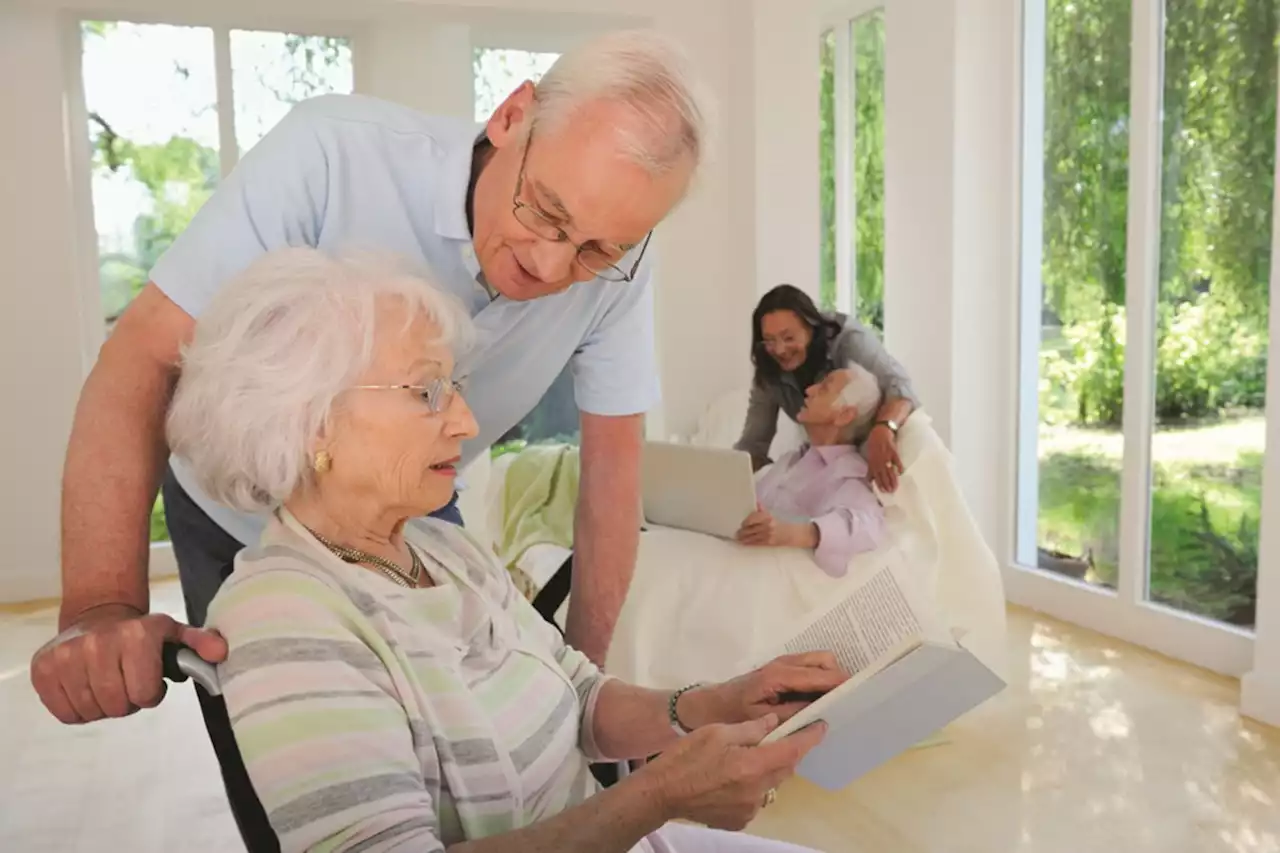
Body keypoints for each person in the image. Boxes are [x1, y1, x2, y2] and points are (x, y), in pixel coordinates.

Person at [32, 30, 705, 740]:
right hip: (233, 507)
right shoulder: (332, 154)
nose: (549, 264)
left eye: (598, 250)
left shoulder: (619, 268)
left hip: (408, 510)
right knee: (295, 760)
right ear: (511, 116)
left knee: (465, 748)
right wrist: (100, 607)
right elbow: (142, 355)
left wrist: (583, 703)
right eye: (544, 209)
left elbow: (611, 477)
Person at [174, 249, 842, 853]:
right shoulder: (281, 617)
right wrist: (657, 795)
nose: (466, 423)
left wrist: (721, 701)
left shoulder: (444, 547)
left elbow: (580, 698)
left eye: (455, 387)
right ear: (312, 419)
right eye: (428, 391)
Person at [735, 284, 919, 493]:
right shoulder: (768, 363)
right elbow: (753, 443)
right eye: (769, 341)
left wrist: (884, 429)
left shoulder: (849, 340)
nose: (779, 350)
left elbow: (901, 388)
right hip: (827, 461)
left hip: (880, 453)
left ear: (811, 328)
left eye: (788, 338)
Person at [735, 366, 888, 577]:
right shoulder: (789, 461)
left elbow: (870, 525)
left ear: (844, 415)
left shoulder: (849, 473)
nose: (809, 390)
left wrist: (798, 533)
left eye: (824, 389)